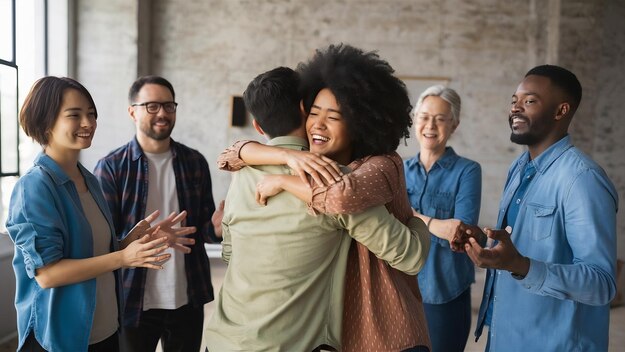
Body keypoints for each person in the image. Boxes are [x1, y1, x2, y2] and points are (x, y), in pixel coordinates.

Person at [218, 44, 432, 352]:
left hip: (388, 328)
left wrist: (283, 179)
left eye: (333, 117)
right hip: (340, 334)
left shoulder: (381, 164)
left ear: (360, 122)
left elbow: (342, 197)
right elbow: (230, 154)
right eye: (313, 113)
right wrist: (274, 155)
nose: (318, 124)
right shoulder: (308, 165)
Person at [6, 76, 193, 352]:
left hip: (105, 330)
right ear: (46, 122)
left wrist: (128, 244)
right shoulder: (34, 187)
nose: (88, 123)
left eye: (92, 114)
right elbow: (47, 273)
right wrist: (122, 257)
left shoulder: (88, 179)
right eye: (75, 115)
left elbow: (88, 253)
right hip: (60, 337)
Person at [466, 65, 618, 351]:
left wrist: (520, 265)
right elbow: (518, 245)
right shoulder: (519, 168)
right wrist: (479, 239)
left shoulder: (583, 180)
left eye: (529, 101)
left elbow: (601, 283)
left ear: (561, 111)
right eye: (514, 101)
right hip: (506, 338)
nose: (516, 109)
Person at [94, 75, 218, 352]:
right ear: (132, 111)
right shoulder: (112, 167)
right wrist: (146, 238)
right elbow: (103, 243)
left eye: (168, 106)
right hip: (134, 299)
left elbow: (202, 232)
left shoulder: (195, 162)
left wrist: (219, 228)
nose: (162, 113)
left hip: (187, 296)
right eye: (151, 106)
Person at [403, 85, 482, 351]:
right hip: (401, 291)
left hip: (445, 291)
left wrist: (411, 216)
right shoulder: (398, 170)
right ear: (415, 120)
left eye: (440, 118)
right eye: (424, 116)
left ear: (454, 125)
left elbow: (460, 232)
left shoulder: (468, 171)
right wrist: (436, 225)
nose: (430, 125)